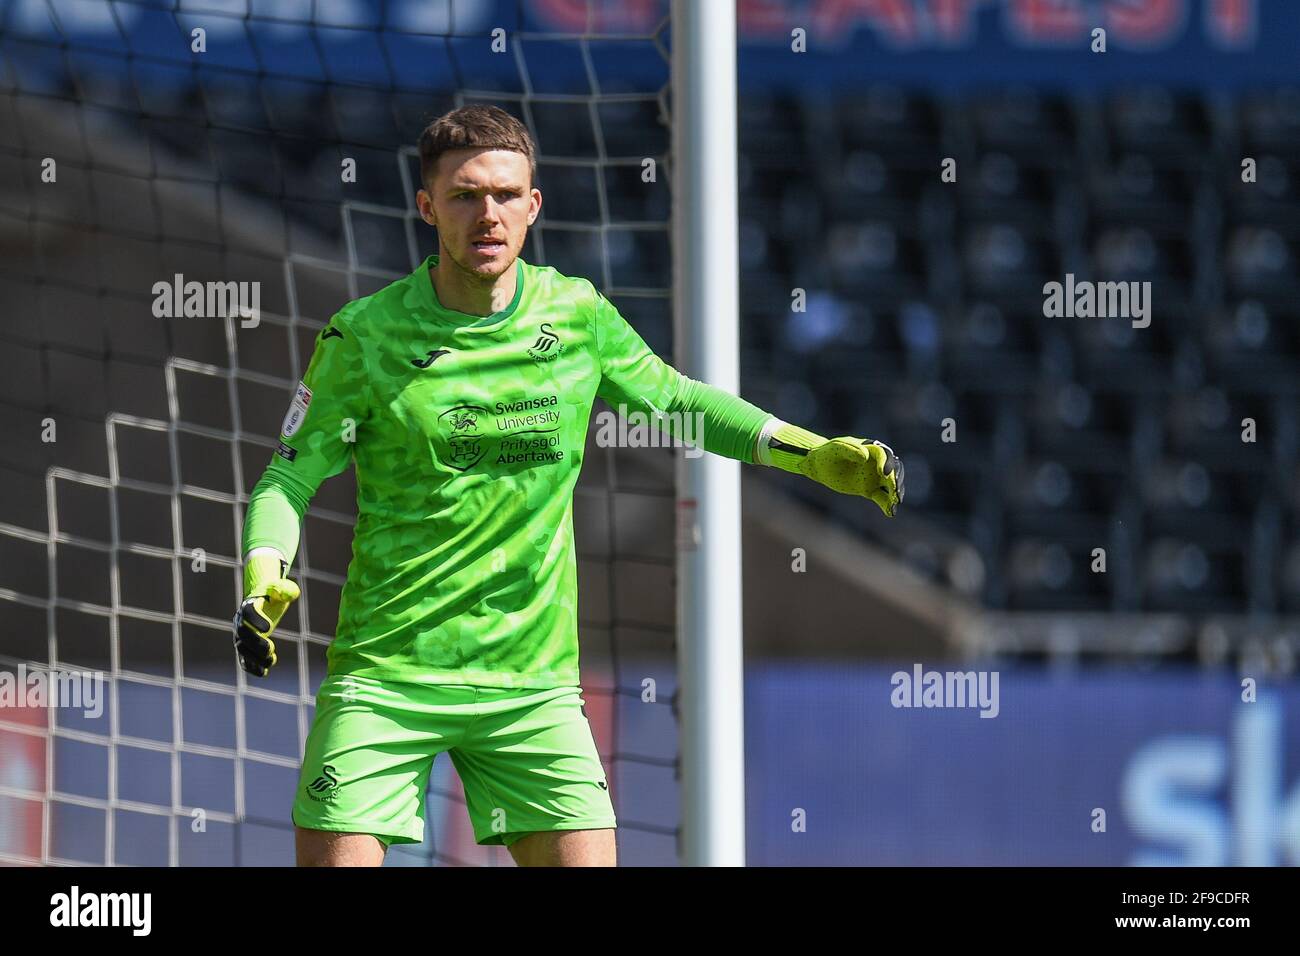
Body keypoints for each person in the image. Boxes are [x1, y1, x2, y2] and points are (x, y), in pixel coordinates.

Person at [234, 105, 903, 867]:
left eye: (506, 195)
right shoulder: (362, 336)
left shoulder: (576, 315)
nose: (488, 214)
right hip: (388, 677)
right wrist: (263, 571)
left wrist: (808, 453)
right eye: (464, 195)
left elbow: (678, 402)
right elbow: (287, 477)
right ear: (426, 207)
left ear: (533, 205)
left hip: (533, 687)